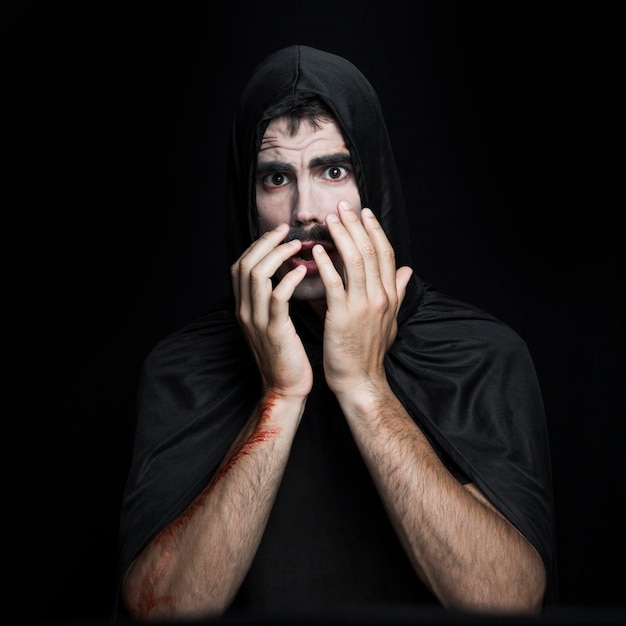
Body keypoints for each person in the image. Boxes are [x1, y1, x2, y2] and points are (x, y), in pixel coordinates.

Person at [116, 45, 557, 622]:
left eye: (333, 170)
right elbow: (160, 610)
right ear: (247, 202)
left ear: (373, 181)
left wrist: (364, 387)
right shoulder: (185, 365)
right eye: (277, 177)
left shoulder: (479, 352)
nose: (306, 211)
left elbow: (508, 601)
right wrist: (279, 398)